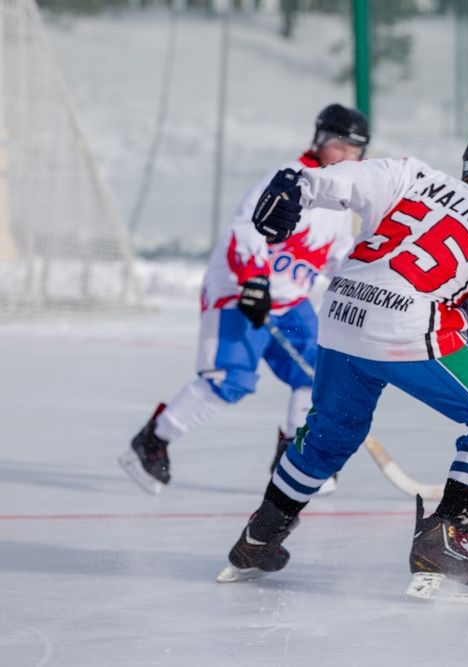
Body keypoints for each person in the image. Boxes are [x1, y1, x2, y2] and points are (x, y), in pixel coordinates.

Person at [217, 128, 468, 603]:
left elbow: (341, 179)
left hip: (341, 312)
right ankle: (443, 539)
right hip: (407, 327)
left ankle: (258, 539)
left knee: (329, 433)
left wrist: (298, 186)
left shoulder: (414, 175)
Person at [119, 104, 370, 495]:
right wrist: (255, 280)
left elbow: (339, 259)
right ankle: (152, 441)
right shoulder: (290, 177)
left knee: (319, 373)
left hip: (288, 301)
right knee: (230, 381)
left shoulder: (340, 201)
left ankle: (293, 456)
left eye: (356, 151)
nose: (347, 157)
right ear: (320, 141)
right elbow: (247, 229)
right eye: (340, 146)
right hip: (238, 291)